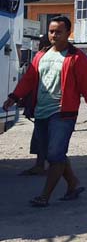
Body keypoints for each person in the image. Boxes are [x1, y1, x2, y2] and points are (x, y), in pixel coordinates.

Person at [3, 16, 87, 207]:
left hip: (63, 113)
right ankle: (73, 184)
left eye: (58, 32)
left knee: (55, 155)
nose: (54, 35)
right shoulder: (41, 55)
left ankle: (44, 196)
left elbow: (86, 84)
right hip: (41, 111)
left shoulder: (76, 57)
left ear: (68, 33)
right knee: (52, 154)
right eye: (51, 31)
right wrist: (14, 97)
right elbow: (29, 79)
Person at [18, 34, 52, 176]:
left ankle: (46, 166)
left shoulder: (41, 57)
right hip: (46, 105)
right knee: (45, 136)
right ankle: (46, 165)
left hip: (46, 105)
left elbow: (29, 80)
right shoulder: (43, 57)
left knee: (43, 137)